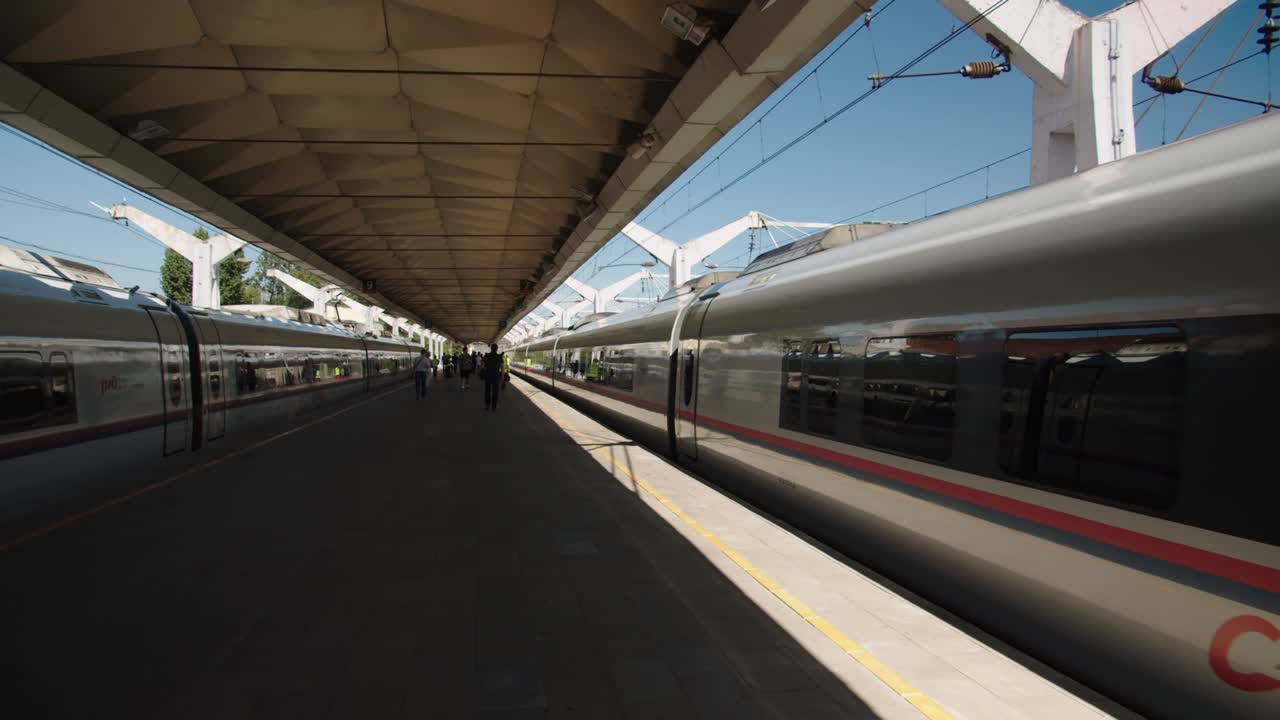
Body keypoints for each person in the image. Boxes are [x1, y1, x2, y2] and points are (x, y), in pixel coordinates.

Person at [482, 344, 503, 411]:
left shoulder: (487, 356)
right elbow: (502, 368)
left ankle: (487, 406)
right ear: (497, 349)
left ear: (491, 348)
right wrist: (502, 378)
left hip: (488, 376)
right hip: (496, 376)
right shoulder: (499, 357)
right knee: (495, 392)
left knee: (487, 391)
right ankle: (494, 407)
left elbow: (483, 366)